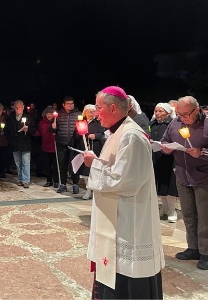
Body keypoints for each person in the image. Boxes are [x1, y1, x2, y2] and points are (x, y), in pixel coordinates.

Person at [83, 86, 164, 299]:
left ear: (112, 108)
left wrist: (94, 165)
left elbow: (125, 180)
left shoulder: (132, 136)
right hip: (118, 217)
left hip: (130, 219)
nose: (95, 113)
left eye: (98, 108)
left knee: (128, 275)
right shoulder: (117, 132)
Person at [161, 96, 208, 269]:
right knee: (188, 215)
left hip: (203, 177)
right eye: (179, 114)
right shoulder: (175, 123)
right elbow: (166, 139)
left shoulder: (207, 124)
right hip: (182, 175)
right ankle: (193, 247)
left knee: (205, 217)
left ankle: (206, 252)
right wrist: (165, 147)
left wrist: (201, 153)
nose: (182, 118)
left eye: (186, 114)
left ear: (197, 110)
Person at [149, 103, 179, 223]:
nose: (157, 113)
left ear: (167, 113)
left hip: (170, 158)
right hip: (157, 157)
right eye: (156, 111)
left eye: (160, 111)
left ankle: (172, 210)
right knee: (160, 183)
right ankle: (164, 207)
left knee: (169, 183)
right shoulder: (152, 124)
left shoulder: (173, 123)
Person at [73, 104, 105, 200]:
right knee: (85, 172)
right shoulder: (81, 122)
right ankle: (88, 190)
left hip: (95, 149)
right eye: (90, 112)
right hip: (84, 149)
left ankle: (94, 190)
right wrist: (80, 133)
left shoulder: (98, 122)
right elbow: (75, 136)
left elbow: (103, 134)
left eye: (93, 112)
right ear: (85, 112)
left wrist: (96, 136)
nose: (92, 114)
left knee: (94, 171)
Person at [5, 100, 37, 188]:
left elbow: (34, 130)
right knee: (18, 163)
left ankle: (26, 180)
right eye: (15, 107)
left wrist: (28, 129)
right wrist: (9, 138)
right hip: (15, 143)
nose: (17, 108)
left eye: (19, 107)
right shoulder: (10, 117)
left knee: (26, 162)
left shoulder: (29, 117)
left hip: (25, 142)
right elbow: (6, 130)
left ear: (23, 107)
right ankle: (20, 179)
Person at [54, 96, 80, 194]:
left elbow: (83, 126)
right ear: (63, 105)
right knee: (62, 165)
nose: (70, 105)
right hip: (61, 142)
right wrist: (53, 127)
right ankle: (63, 184)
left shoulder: (78, 114)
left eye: (72, 103)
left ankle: (75, 184)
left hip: (74, 143)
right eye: (68, 103)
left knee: (74, 165)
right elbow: (54, 130)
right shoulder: (59, 115)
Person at [37, 106, 58, 187]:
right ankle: (49, 181)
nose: (49, 115)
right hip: (46, 147)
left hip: (54, 147)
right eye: (47, 114)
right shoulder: (42, 122)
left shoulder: (56, 121)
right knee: (47, 165)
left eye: (51, 114)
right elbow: (39, 132)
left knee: (55, 166)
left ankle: (56, 181)